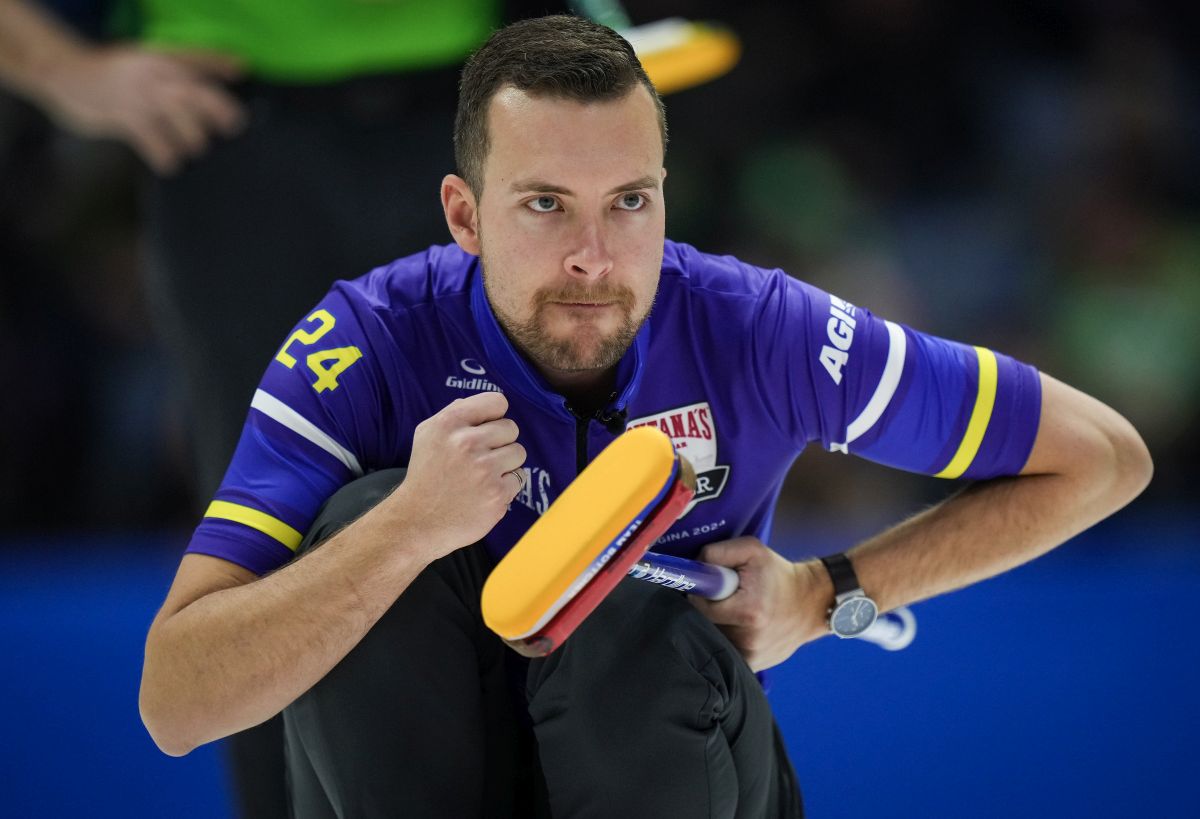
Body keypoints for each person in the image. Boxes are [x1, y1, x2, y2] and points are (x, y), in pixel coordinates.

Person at [136, 14, 1151, 818]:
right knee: (361, 526)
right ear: (464, 215)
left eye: (629, 202)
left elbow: (1103, 459)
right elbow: (175, 703)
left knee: (622, 606)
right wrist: (410, 529)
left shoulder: (760, 328)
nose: (594, 257)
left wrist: (825, 593)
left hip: (670, 774)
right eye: (545, 204)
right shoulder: (363, 342)